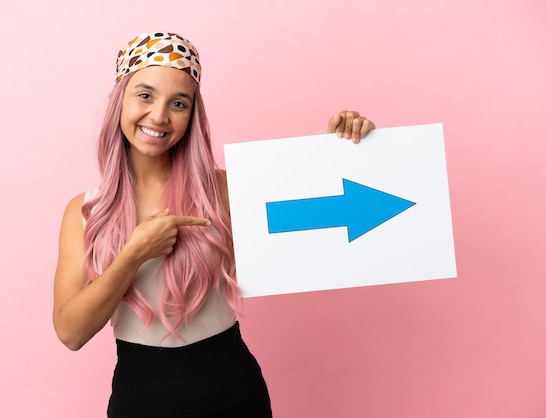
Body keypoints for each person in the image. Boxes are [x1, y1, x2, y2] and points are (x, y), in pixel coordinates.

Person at [52, 31, 375, 418]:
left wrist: (343, 151)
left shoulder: (226, 189)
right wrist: (134, 253)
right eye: (144, 95)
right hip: (139, 395)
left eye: (178, 103)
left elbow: (318, 216)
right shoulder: (86, 211)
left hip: (231, 389)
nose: (158, 115)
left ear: (192, 116)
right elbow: (71, 333)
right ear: (119, 100)